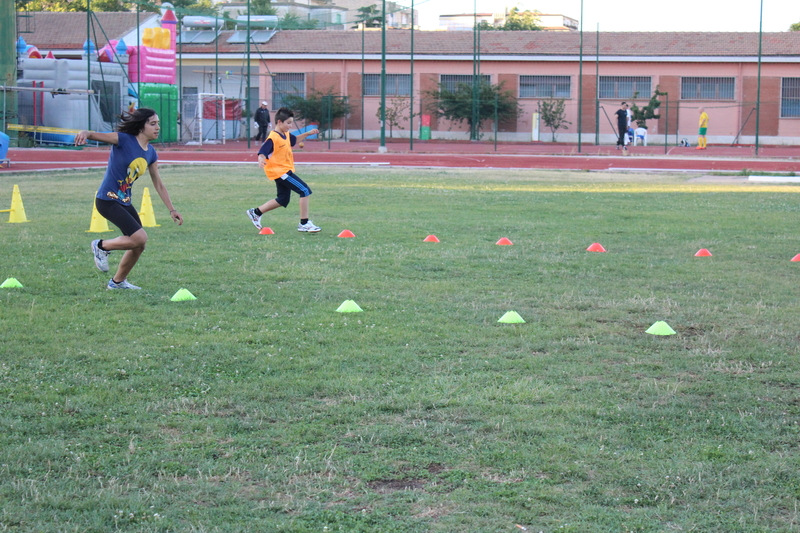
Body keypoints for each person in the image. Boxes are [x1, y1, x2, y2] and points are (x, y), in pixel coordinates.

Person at [75, 108, 183, 290]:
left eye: (158, 124)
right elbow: (95, 135)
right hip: (107, 200)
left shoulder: (151, 153)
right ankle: (101, 246)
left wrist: (172, 210)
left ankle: (117, 282)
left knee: (138, 245)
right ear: (141, 126)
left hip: (124, 202)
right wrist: (85, 133)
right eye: (153, 123)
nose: (158, 128)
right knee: (140, 237)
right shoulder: (123, 140)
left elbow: (159, 184)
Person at [246, 107, 321, 233]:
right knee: (305, 190)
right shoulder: (273, 137)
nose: (290, 126)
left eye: (291, 122)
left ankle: (255, 212)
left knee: (283, 199)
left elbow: (294, 140)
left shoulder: (285, 134)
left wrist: (308, 133)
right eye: (288, 123)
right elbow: (263, 152)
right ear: (279, 122)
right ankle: (304, 223)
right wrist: (261, 159)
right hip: (280, 172)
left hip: (284, 171)